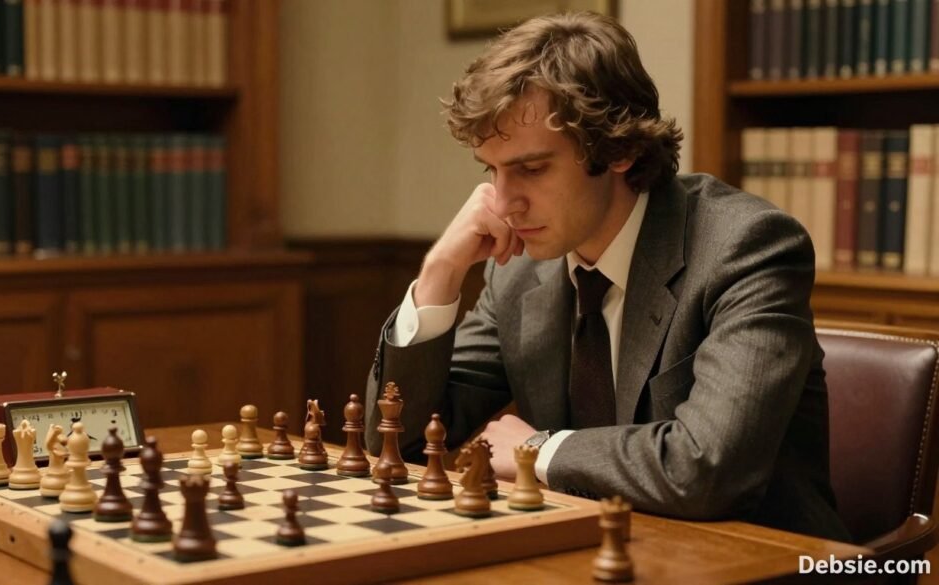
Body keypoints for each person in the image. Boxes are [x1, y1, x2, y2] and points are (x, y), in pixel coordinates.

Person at [364, 12, 849, 541]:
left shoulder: (746, 248)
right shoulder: (522, 273)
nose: (502, 203)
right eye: (491, 170)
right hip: (599, 552)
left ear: (620, 149)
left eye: (531, 169)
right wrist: (440, 273)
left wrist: (538, 449)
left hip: (759, 562)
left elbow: (708, 469)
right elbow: (396, 439)